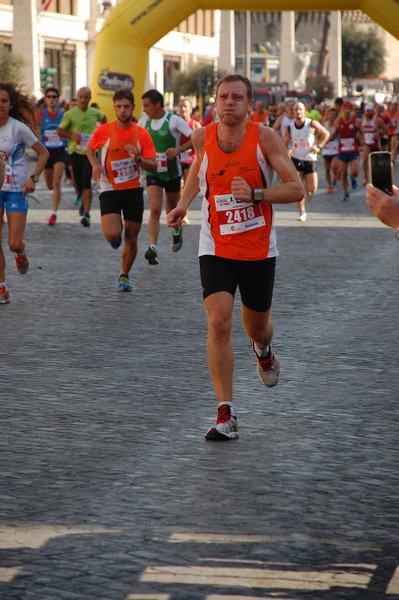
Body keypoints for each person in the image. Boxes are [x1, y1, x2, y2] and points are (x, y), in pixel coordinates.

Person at [166, 74, 304, 441]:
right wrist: (182, 203)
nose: (229, 102)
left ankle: (263, 350)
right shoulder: (203, 136)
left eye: (236, 97)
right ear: (215, 102)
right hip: (216, 245)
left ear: (249, 105)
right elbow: (199, 169)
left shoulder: (265, 138)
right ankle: (226, 413)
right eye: (223, 97)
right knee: (218, 322)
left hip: (258, 248)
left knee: (256, 327)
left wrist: (257, 194)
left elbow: (296, 187)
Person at [87, 88, 157, 293]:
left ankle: (124, 275)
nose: (123, 111)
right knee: (112, 234)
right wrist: (94, 165)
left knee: (132, 236)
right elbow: (91, 148)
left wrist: (138, 159)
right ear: (114, 107)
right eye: (119, 106)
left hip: (133, 188)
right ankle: (114, 239)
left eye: (127, 106)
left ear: (133, 107)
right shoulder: (104, 131)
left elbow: (153, 165)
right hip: (109, 187)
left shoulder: (141, 134)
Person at [0, 82, 49, 304]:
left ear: (10, 105)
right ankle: (2, 288)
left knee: (13, 243)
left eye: (4, 101)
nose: (0, 105)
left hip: (16, 191)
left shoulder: (17, 128)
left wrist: (34, 177)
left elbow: (43, 153)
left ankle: (20, 253)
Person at [138, 89, 193, 265]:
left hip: (172, 173)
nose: (145, 109)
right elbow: (135, 137)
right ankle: (152, 247)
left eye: (147, 105)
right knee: (154, 208)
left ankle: (176, 233)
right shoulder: (144, 121)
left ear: (157, 104)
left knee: (171, 212)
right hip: (153, 171)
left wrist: (178, 149)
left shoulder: (173, 121)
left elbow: (195, 138)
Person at [57, 87, 106, 227]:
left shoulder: (95, 112)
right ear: (77, 97)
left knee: (86, 182)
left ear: (90, 99)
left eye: (86, 97)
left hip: (90, 153)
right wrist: (71, 135)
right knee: (78, 183)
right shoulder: (70, 114)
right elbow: (60, 131)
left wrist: (100, 131)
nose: (83, 100)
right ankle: (83, 201)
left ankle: (87, 214)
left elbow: (104, 119)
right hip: (75, 152)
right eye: (81, 97)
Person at [283, 101, 330, 221]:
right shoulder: (290, 126)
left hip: (309, 158)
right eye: (296, 109)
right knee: (298, 188)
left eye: (300, 109)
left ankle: (307, 194)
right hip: (296, 159)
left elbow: (326, 134)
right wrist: (287, 150)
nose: (298, 111)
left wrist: (318, 146)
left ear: (304, 111)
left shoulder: (311, 123)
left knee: (312, 188)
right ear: (293, 112)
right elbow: (284, 142)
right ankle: (302, 211)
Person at [35, 87, 67, 225]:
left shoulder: (63, 113)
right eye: (49, 96)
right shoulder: (40, 114)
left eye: (54, 96)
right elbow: (34, 129)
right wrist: (37, 135)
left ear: (58, 99)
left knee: (56, 181)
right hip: (46, 153)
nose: (51, 99)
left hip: (60, 150)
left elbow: (70, 128)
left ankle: (54, 213)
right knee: (49, 185)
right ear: (45, 99)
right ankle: (55, 197)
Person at [329, 101, 360, 202]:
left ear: (351, 110)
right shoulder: (339, 121)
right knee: (343, 172)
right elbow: (334, 134)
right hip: (342, 150)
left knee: (355, 171)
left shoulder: (356, 121)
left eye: (349, 109)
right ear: (342, 110)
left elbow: (362, 133)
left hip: (353, 149)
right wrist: (326, 140)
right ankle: (346, 192)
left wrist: (362, 143)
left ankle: (353, 178)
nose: (347, 111)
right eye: (345, 109)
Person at [177, 97, 202, 224]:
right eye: (180, 106)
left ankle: (184, 212)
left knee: (187, 187)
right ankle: (178, 209)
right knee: (177, 187)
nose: (182, 109)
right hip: (176, 159)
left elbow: (202, 143)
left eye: (185, 106)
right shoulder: (174, 123)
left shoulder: (195, 124)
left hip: (190, 159)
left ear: (190, 110)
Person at [359, 102, 388, 185]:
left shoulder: (378, 120)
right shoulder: (362, 120)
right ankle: (365, 176)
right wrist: (362, 140)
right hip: (367, 144)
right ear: (364, 111)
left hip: (376, 144)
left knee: (376, 162)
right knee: (365, 159)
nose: (369, 112)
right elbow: (361, 131)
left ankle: (378, 177)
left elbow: (386, 129)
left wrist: (379, 133)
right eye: (367, 111)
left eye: (370, 111)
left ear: (373, 111)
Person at [321, 107, 340, 193]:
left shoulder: (337, 125)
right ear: (328, 115)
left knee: (334, 166)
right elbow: (319, 134)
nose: (331, 116)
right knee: (327, 169)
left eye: (333, 115)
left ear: (336, 116)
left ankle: (335, 173)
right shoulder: (324, 125)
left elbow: (335, 136)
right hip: (326, 149)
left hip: (335, 149)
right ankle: (330, 185)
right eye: (330, 114)